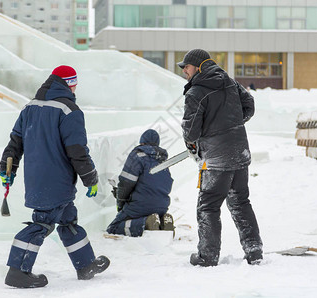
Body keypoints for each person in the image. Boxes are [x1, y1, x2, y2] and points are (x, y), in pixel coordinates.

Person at [0, 65, 110, 288]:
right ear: (70, 83)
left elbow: (15, 143)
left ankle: (85, 264)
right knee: (42, 224)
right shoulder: (69, 110)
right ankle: (17, 271)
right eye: (75, 83)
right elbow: (77, 150)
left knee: (68, 219)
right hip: (56, 180)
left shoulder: (30, 107)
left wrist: (7, 169)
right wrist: (91, 178)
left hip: (36, 179)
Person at [177, 49, 263, 267]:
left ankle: (207, 256)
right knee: (240, 202)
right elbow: (249, 106)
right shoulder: (229, 82)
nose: (184, 71)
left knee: (208, 206)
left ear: (198, 66)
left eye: (186, 67)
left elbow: (191, 133)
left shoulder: (196, 92)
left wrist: (197, 140)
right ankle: (254, 251)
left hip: (216, 160)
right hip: (240, 154)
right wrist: (231, 125)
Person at [106, 129, 174, 237]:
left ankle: (146, 223)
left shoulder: (137, 156)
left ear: (142, 142)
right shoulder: (162, 161)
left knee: (113, 228)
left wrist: (121, 201)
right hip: (162, 206)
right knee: (148, 214)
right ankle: (163, 223)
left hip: (140, 205)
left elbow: (126, 183)